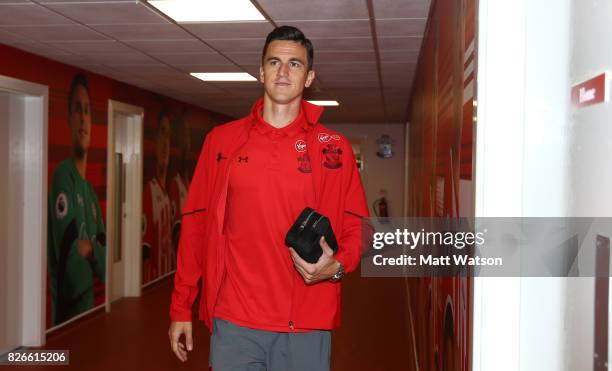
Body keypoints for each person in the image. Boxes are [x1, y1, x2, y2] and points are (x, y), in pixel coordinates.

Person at [168, 26, 369, 370]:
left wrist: (336, 266)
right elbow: (196, 226)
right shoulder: (222, 142)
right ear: (261, 72)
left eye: (295, 64)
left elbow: (360, 226)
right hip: (235, 320)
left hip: (305, 323)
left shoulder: (333, 148)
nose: (283, 71)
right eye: (274, 62)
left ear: (309, 77)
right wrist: (180, 307)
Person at [47, 73, 106, 326]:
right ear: (69, 120)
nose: (83, 118)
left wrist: (91, 249)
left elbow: (104, 261)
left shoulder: (91, 194)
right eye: (76, 110)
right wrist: (93, 252)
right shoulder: (63, 176)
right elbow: (70, 263)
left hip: (90, 309)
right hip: (65, 316)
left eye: (87, 111)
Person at [142, 109, 173, 284]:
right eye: (162, 133)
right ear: (155, 141)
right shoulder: (150, 191)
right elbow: (145, 250)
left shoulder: (167, 194)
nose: (166, 144)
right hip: (154, 280)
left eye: (169, 136)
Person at [169, 109, 191, 253]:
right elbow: (176, 232)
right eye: (183, 138)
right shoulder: (175, 185)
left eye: (187, 137)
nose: (186, 143)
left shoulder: (190, 183)